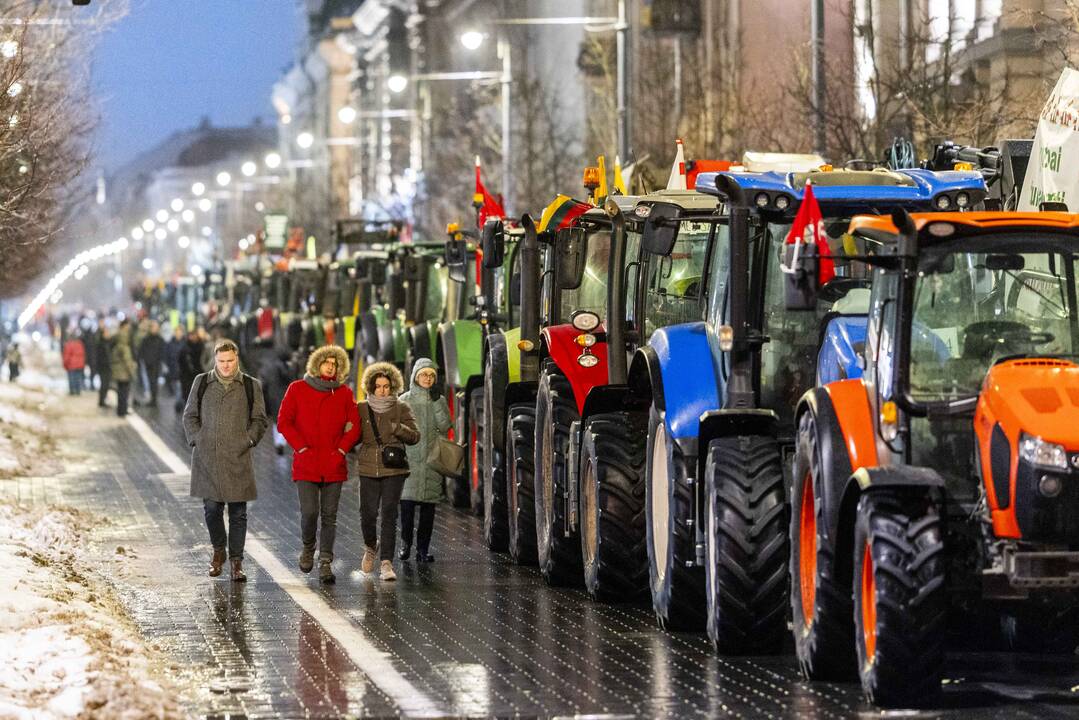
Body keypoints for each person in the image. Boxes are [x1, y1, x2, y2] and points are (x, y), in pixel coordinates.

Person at [183, 339, 268, 581]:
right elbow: (190, 415)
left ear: (237, 359)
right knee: (211, 509)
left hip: (238, 457)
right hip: (207, 457)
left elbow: (259, 419)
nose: (226, 366)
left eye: (230, 361)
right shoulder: (202, 382)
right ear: (215, 360)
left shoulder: (250, 386)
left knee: (238, 512)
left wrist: (249, 440)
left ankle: (236, 563)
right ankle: (218, 551)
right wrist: (198, 439)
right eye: (221, 361)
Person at [276, 345, 360, 583]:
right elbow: (284, 421)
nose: (331, 367)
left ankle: (325, 562)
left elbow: (354, 424)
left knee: (330, 516)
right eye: (327, 363)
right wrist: (300, 446)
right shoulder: (297, 389)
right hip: (307, 463)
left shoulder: (343, 393)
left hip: (334, 464)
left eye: (335, 364)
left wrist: (342, 449)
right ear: (317, 364)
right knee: (310, 512)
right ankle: (307, 547)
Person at [355, 362, 419, 581]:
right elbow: (354, 436)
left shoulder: (401, 408)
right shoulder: (361, 408)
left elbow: (414, 436)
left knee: (389, 513)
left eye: (386, 386)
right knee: (367, 513)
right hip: (367, 467)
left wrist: (397, 428)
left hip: (393, 469)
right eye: (378, 386)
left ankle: (386, 563)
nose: (382, 390)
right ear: (371, 387)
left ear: (393, 387)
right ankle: (371, 546)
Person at [398, 359, 451, 562]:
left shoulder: (439, 400)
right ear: (415, 376)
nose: (427, 378)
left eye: (431, 375)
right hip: (409, 462)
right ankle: (405, 544)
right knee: (407, 509)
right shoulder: (404, 400)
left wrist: (437, 402)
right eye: (424, 375)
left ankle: (422, 549)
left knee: (428, 512)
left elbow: (445, 426)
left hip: (431, 462)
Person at [258, 346, 292, 454]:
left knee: (275, 421)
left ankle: (278, 442)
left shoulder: (267, 367)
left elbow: (264, 384)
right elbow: (289, 378)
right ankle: (281, 442)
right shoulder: (282, 366)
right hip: (282, 396)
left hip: (271, 396)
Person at [110, 320, 137, 417]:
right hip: (124, 372)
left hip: (118, 371)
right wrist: (132, 372)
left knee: (120, 391)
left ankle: (121, 410)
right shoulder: (124, 347)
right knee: (124, 392)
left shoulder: (116, 345)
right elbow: (128, 361)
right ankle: (123, 410)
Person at [138, 320, 166, 406]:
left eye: (156, 327)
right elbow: (141, 351)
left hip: (156, 364)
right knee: (150, 382)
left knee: (154, 382)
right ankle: (152, 399)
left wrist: (161, 360)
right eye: (153, 327)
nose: (154, 329)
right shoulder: (146, 339)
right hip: (148, 364)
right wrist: (144, 360)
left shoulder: (160, 339)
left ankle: (154, 400)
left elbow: (163, 351)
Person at [177, 329, 205, 413]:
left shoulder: (202, 346)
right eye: (191, 335)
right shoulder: (185, 348)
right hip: (187, 376)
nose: (193, 337)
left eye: (194, 335)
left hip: (199, 374)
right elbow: (181, 361)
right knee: (188, 394)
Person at [95, 325, 114, 407]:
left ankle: (103, 399)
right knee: (104, 384)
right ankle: (101, 401)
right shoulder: (101, 344)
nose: (108, 334)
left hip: (107, 367)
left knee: (106, 384)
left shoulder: (108, 343)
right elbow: (99, 357)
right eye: (106, 333)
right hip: (103, 367)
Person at [164, 325, 184, 398]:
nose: (178, 334)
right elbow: (166, 356)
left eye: (180, 332)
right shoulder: (170, 344)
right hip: (173, 370)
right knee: (177, 388)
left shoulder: (185, 343)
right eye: (177, 332)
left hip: (183, 371)